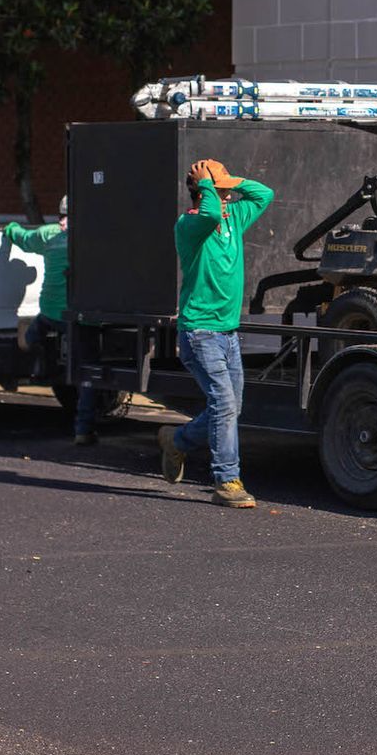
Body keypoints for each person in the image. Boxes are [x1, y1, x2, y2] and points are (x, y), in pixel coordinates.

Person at [158, 158, 274, 508]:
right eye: (221, 193)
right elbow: (208, 215)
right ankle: (227, 480)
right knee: (224, 404)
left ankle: (177, 441)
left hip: (228, 334)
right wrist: (208, 184)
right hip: (200, 333)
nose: (227, 199)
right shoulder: (189, 225)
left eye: (227, 193)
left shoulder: (233, 218)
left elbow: (264, 194)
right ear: (201, 193)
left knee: (230, 407)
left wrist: (226, 180)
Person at [4, 196, 99, 445]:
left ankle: (30, 340)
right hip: (78, 319)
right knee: (87, 372)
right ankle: (83, 429)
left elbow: (23, 238)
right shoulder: (90, 238)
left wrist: (10, 228)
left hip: (50, 311)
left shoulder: (48, 234)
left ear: (61, 214)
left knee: (43, 320)